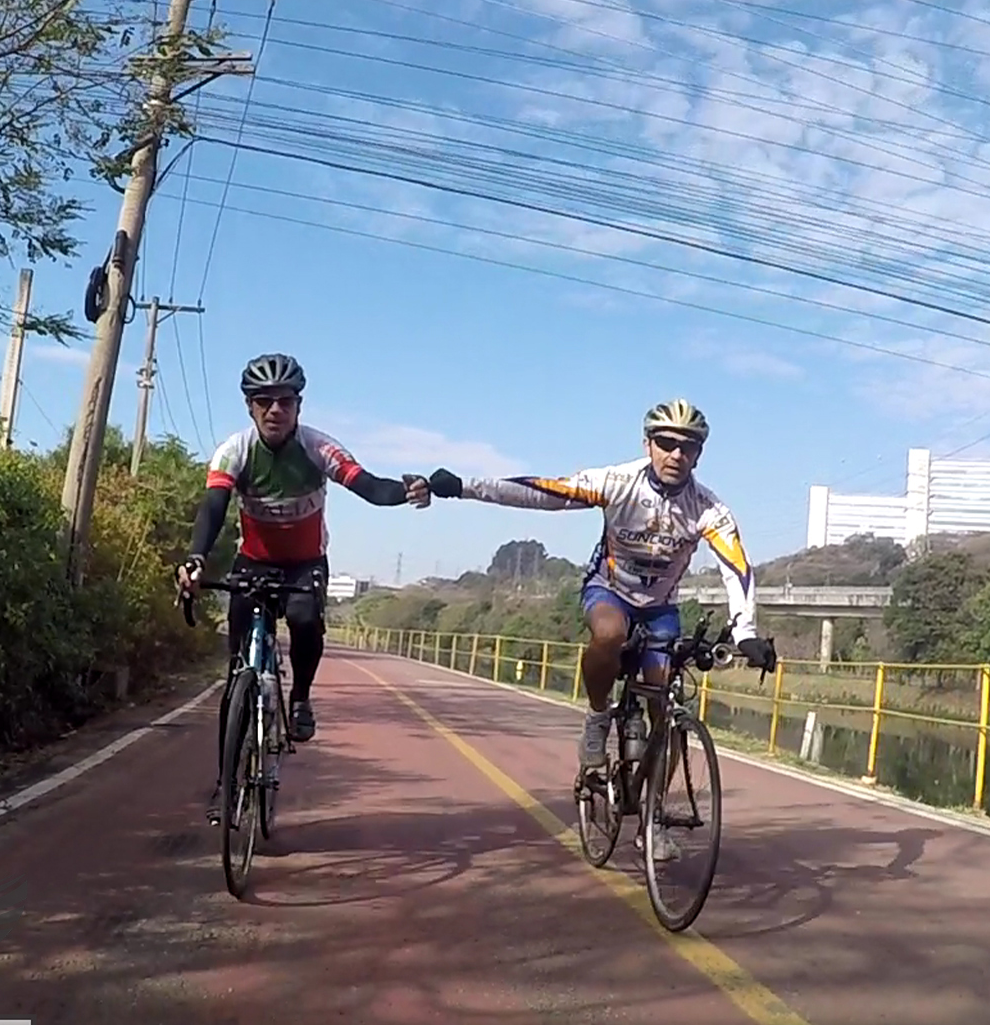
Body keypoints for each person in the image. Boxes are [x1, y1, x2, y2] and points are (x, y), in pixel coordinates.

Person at [425, 398, 776, 778]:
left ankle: (652, 807)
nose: (676, 454)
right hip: (610, 590)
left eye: (687, 447)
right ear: (647, 444)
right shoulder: (617, 483)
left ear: (698, 454)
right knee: (610, 633)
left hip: (660, 607)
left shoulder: (708, 509)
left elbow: (736, 567)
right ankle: (597, 715)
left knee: (665, 709)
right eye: (666, 443)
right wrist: (463, 487)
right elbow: (544, 492)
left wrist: (745, 632)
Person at [177, 352, 431, 822]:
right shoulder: (234, 451)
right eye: (264, 401)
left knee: (304, 618)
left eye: (286, 401)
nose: (275, 409)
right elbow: (213, 507)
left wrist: (405, 490)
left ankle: (300, 698)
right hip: (253, 562)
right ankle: (226, 786)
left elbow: (368, 486)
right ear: (250, 407)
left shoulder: (317, 447)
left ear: (299, 406)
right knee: (235, 681)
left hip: (304, 563)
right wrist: (195, 558)